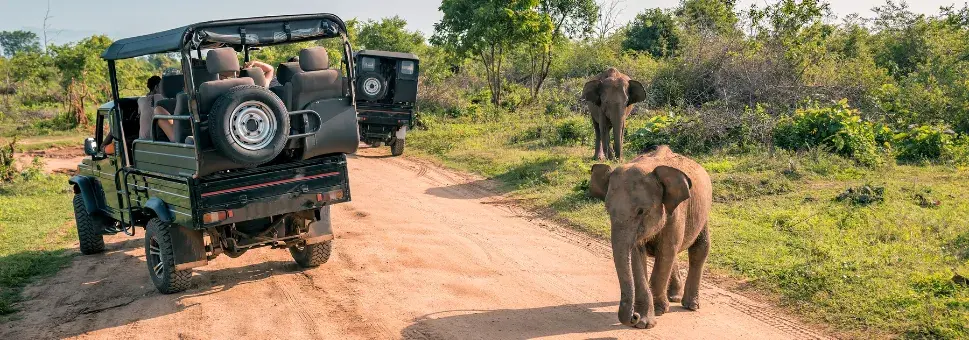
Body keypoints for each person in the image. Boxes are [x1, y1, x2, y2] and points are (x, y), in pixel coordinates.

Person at [138, 76, 175, 142]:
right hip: (158, 139)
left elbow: (139, 113)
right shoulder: (165, 99)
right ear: (156, 87)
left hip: (143, 140)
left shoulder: (140, 100)